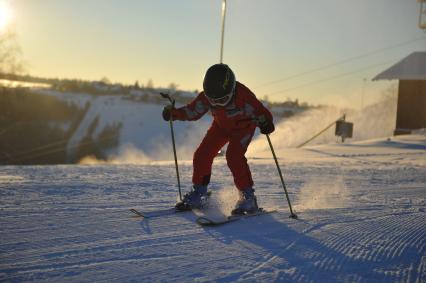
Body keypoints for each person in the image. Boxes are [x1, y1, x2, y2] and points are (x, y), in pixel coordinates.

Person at [162, 64, 275, 215]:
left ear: (232, 90)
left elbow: (262, 113)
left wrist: (266, 123)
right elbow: (193, 111)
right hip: (220, 127)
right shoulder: (207, 98)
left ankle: (248, 198)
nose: (217, 103)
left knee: (234, 157)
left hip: (243, 128)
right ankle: (199, 194)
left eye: (223, 100)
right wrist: (174, 114)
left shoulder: (244, 97)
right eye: (213, 101)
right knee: (202, 154)